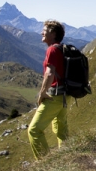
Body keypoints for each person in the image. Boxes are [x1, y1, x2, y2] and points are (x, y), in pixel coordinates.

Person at [28, 20, 69, 159]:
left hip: (55, 95)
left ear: (53, 33)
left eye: (44, 30)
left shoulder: (52, 49)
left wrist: (42, 92)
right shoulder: (61, 48)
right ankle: (67, 158)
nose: (41, 32)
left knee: (34, 130)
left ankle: (45, 163)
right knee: (60, 129)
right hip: (64, 95)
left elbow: (49, 73)